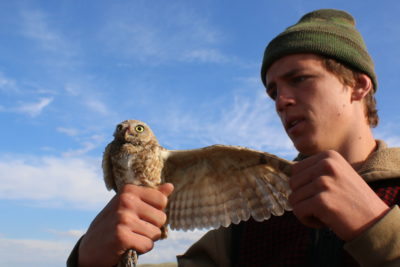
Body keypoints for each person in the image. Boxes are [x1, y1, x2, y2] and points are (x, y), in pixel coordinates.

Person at [68, 8, 400, 267]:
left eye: (299, 79)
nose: (281, 101)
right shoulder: (260, 208)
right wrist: (91, 259)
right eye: (273, 91)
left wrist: (378, 228)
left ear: (359, 84)